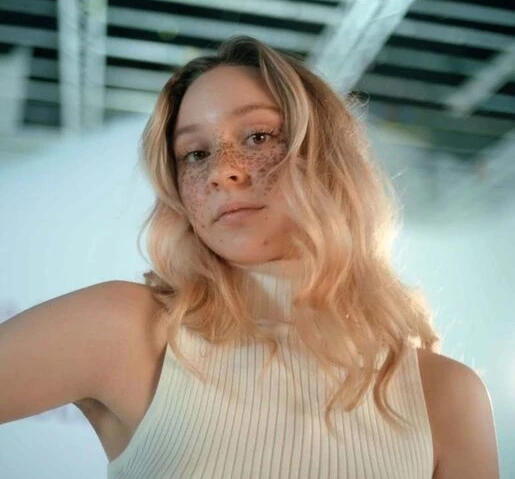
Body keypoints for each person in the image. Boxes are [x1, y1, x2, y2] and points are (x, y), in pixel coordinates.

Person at [0, 36, 498, 479]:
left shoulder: (445, 393)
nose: (222, 171)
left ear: (328, 157)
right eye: (195, 154)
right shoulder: (128, 329)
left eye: (258, 136)